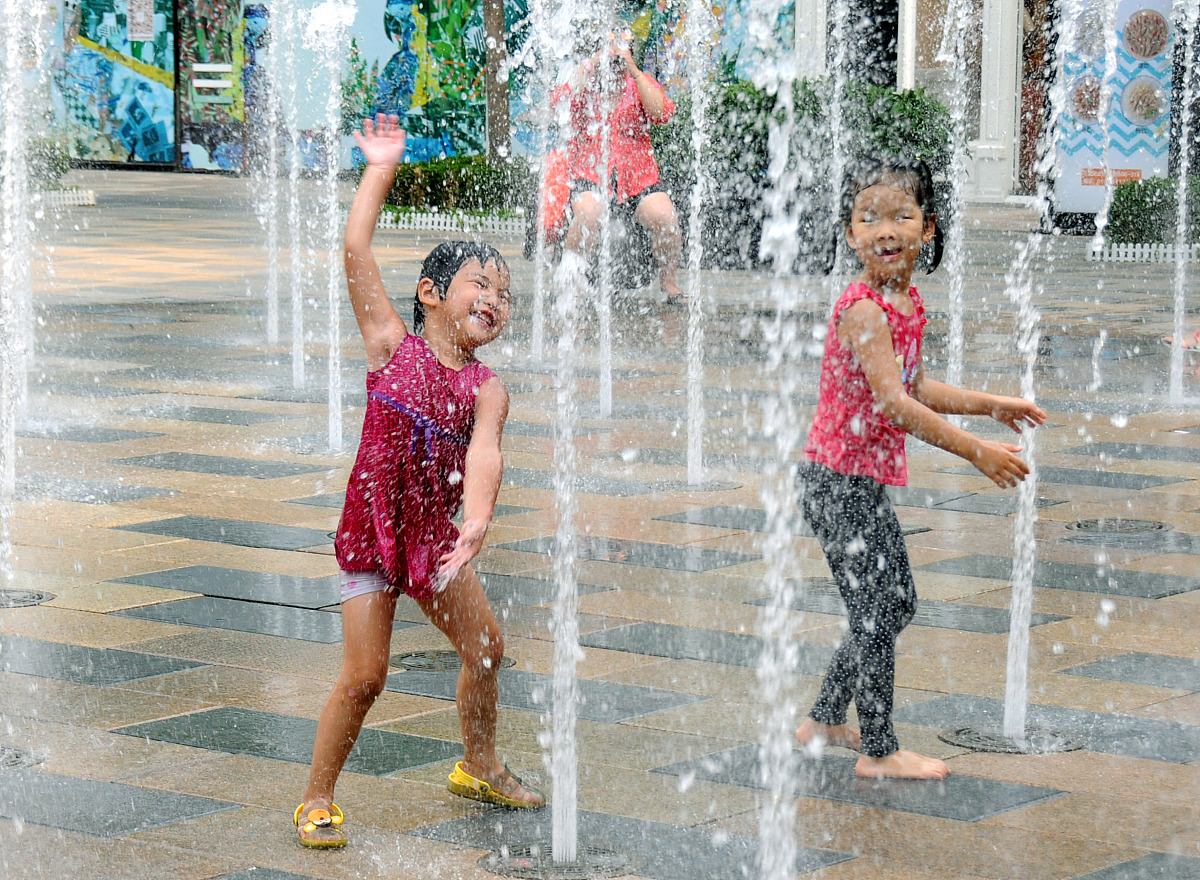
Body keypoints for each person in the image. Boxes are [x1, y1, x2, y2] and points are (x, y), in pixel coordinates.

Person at [294, 114, 545, 849]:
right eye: (481, 283)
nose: (495, 298)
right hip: (373, 534)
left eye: (506, 293)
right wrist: (381, 168)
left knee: (488, 647)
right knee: (366, 675)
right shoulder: (388, 347)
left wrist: (477, 520)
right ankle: (316, 795)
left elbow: (485, 457)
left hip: (437, 538)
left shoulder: (488, 389)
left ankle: (480, 762)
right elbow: (355, 247)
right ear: (431, 291)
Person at [794, 156, 1047, 780]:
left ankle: (825, 718)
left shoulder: (905, 301)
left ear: (927, 228)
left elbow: (918, 385)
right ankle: (877, 751)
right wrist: (975, 451)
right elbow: (895, 405)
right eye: (868, 217)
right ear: (850, 233)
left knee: (891, 602)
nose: (885, 229)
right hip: (838, 483)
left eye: (901, 215)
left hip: (857, 482)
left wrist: (991, 406)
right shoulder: (865, 311)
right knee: (882, 607)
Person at [553, 32, 685, 305]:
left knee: (666, 217)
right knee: (590, 213)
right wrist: (590, 65)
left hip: (637, 178)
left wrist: (636, 73)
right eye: (609, 49)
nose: (615, 56)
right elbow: (561, 105)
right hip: (589, 175)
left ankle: (669, 282)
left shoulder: (639, 82)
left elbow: (661, 113)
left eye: (621, 50)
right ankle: (572, 283)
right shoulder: (586, 84)